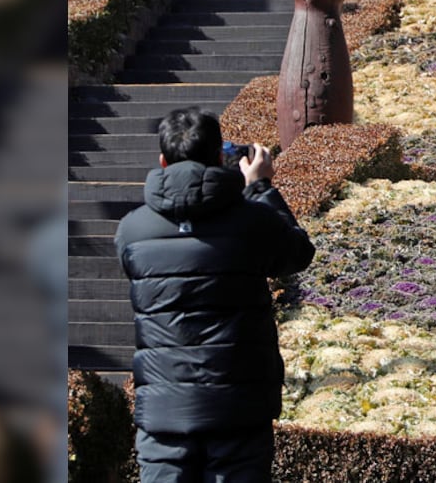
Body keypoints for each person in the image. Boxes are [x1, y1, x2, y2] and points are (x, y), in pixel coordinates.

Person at [115, 107, 315, 483]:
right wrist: (260, 188)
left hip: (164, 410)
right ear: (218, 159)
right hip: (238, 408)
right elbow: (298, 254)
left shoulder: (132, 230)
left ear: (162, 160)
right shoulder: (253, 220)